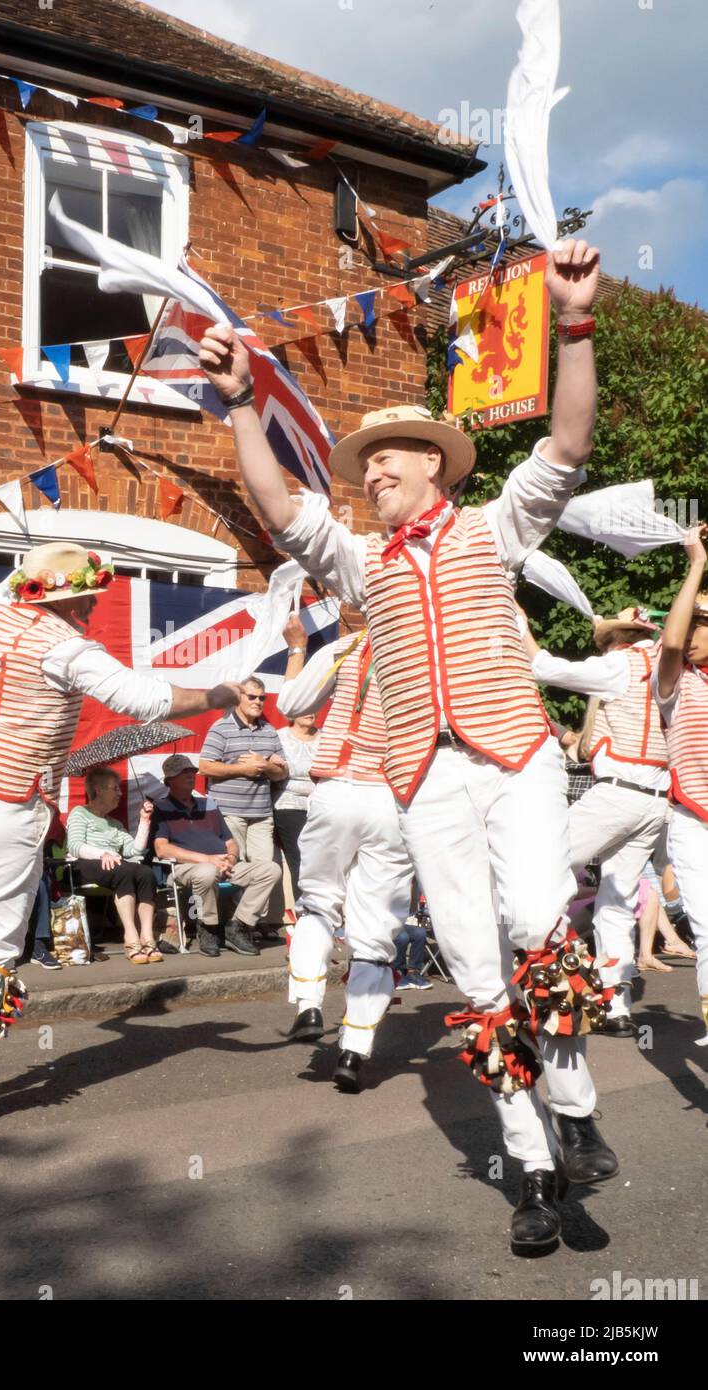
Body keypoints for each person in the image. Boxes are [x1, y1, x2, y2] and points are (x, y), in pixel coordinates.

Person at [200, 238, 618, 1254]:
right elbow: (277, 504)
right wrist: (244, 402)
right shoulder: (359, 559)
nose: (369, 469)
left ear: (430, 463)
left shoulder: (494, 527)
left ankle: (576, 1109)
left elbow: (565, 440)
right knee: (476, 967)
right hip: (423, 775)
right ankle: (531, 1170)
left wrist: (573, 319)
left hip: (514, 755)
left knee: (533, 919)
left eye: (384, 455)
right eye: (362, 462)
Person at [0, 542, 243, 1119]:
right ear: (65, 597)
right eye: (86, 597)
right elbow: (143, 699)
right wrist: (214, 696)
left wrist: (2, 594)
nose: (91, 609)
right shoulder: (65, 648)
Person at [276, 619, 414, 1091]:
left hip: (338, 786)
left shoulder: (350, 645)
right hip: (394, 799)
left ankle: (310, 1002)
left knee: (319, 900)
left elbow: (291, 704)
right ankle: (354, 1052)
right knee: (375, 929)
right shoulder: (436, 651)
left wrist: (298, 648)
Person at [523, 606, 671, 1036]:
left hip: (619, 792)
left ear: (616, 637)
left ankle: (547, 976)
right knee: (617, 900)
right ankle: (616, 1005)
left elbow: (545, 668)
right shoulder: (666, 665)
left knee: (540, 864)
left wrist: (521, 624)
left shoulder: (623, 662)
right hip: (655, 798)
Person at [651, 523, 708, 1046]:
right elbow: (669, 641)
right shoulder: (675, 680)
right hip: (694, 820)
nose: (689, 634)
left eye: (700, 625)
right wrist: (695, 565)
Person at [152, 754, 282, 958]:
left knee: (271, 869)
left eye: (191, 771)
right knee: (207, 872)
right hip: (187, 867)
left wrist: (230, 858)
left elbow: (230, 842)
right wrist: (208, 859)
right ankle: (208, 928)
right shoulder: (160, 808)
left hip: (222, 863)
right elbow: (162, 849)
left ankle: (237, 925)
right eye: (183, 773)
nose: (190, 776)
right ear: (169, 781)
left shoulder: (209, 804)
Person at [198, 676, 288, 939]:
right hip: (229, 812)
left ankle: (249, 924)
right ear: (239, 698)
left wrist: (265, 765)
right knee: (233, 870)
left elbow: (281, 772)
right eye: (252, 697)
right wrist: (243, 768)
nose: (258, 702)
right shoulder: (221, 728)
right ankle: (226, 923)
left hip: (261, 814)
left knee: (265, 870)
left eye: (262, 698)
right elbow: (205, 766)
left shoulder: (269, 731)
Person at [66, 766, 162, 964]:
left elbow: (134, 850)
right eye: (115, 788)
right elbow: (74, 846)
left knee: (145, 873)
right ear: (99, 790)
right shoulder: (80, 813)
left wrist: (144, 821)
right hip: (85, 864)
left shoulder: (115, 824)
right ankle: (130, 936)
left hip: (114, 866)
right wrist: (103, 853)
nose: (120, 793)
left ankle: (147, 936)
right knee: (124, 871)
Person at [273, 630, 320, 900]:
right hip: (289, 804)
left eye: (313, 705)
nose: (309, 711)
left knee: (323, 859)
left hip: (321, 805)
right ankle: (306, 909)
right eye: (304, 706)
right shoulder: (279, 737)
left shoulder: (325, 737)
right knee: (300, 857)